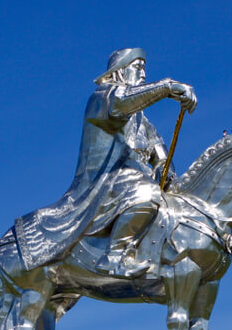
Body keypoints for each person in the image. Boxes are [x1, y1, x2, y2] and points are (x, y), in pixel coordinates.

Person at [14, 48, 197, 278]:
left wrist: (165, 170)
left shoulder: (142, 120)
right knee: (147, 194)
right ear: (119, 72)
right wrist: (167, 87)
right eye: (138, 68)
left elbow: (159, 152)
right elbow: (122, 102)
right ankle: (115, 257)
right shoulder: (103, 98)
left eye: (144, 70)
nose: (143, 74)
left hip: (134, 180)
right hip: (106, 182)